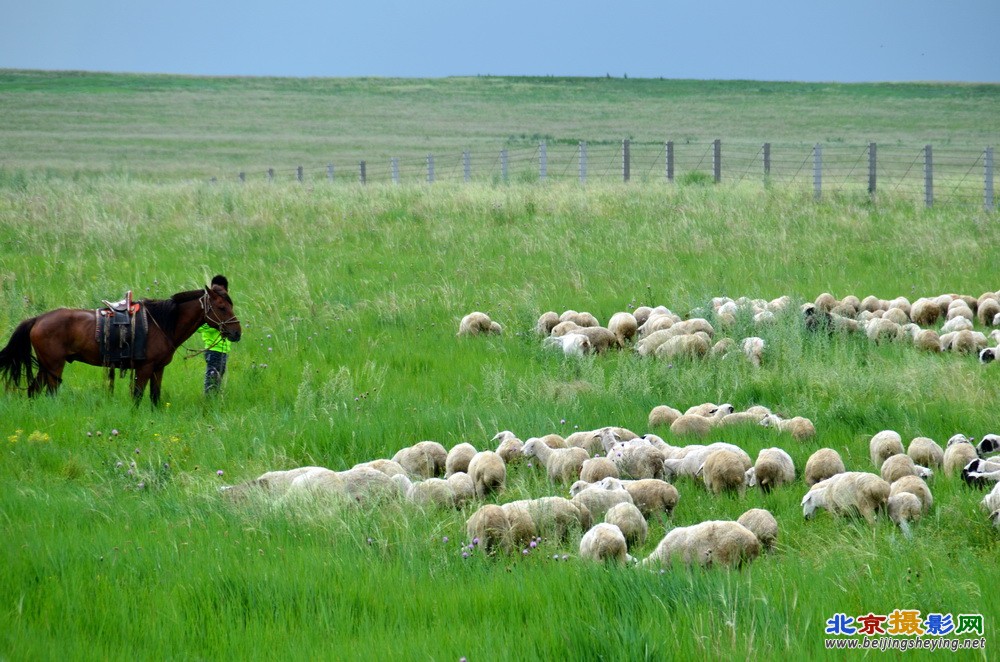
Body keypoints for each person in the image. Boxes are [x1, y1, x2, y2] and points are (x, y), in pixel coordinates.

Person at [200, 275, 232, 394]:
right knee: (211, 381)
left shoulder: (224, 306)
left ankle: (214, 399)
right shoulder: (209, 307)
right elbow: (200, 327)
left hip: (223, 350)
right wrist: (217, 326)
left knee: (218, 380)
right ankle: (209, 401)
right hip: (213, 349)